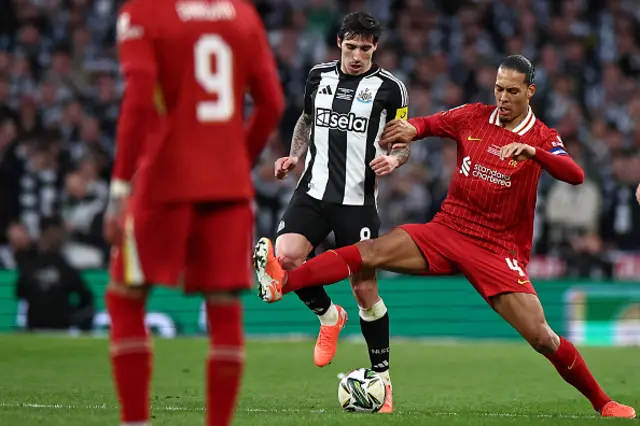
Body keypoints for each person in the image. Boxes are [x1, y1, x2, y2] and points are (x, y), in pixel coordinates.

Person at [253, 55, 636, 419]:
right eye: (499, 88)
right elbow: (428, 125)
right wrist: (408, 130)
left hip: (496, 250)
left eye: (512, 91)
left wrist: (534, 153)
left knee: (543, 338)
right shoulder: (473, 116)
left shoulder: (541, 135)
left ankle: (603, 403)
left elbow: (574, 174)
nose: (502, 98)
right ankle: (282, 283)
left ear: (530, 92)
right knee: (367, 253)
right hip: (447, 229)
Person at [104, 1, 284, 425]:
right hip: (228, 186)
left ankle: (135, 420)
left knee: (125, 295)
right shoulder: (242, 14)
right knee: (223, 306)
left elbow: (139, 98)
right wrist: (236, 159)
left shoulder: (145, 12)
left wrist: (119, 186)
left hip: (164, 179)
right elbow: (272, 103)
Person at [271, 11, 409, 412]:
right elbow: (307, 119)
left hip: (357, 203)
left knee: (365, 291)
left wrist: (395, 161)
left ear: (375, 48)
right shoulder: (318, 75)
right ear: (339, 44)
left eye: (365, 49)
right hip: (312, 192)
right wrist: (294, 155)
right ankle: (329, 316)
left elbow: (403, 142)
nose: (357, 56)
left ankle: (382, 382)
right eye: (351, 47)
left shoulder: (391, 89)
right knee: (285, 259)